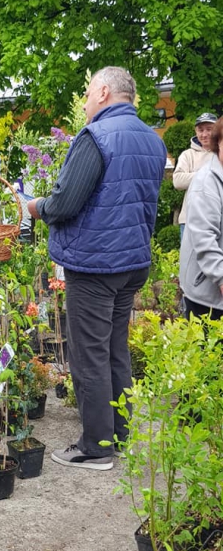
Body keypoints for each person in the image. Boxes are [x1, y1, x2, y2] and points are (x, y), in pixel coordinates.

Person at [27, 66, 167, 470]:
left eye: (88, 95)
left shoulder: (96, 136)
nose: (86, 103)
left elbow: (66, 201)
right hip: (132, 262)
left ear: (103, 92)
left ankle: (95, 447)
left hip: (95, 265)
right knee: (113, 350)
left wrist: (37, 208)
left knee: (89, 354)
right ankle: (119, 434)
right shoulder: (152, 141)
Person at [179, 117, 223, 320]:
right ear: (218, 142)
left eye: (208, 129)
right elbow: (204, 238)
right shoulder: (207, 181)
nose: (203, 133)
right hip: (208, 296)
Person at [174, 113, 217, 238]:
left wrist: (193, 176)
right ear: (196, 131)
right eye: (201, 130)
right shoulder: (187, 155)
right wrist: (208, 173)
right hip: (190, 220)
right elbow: (178, 181)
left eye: (209, 129)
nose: (204, 134)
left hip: (217, 220)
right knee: (189, 258)